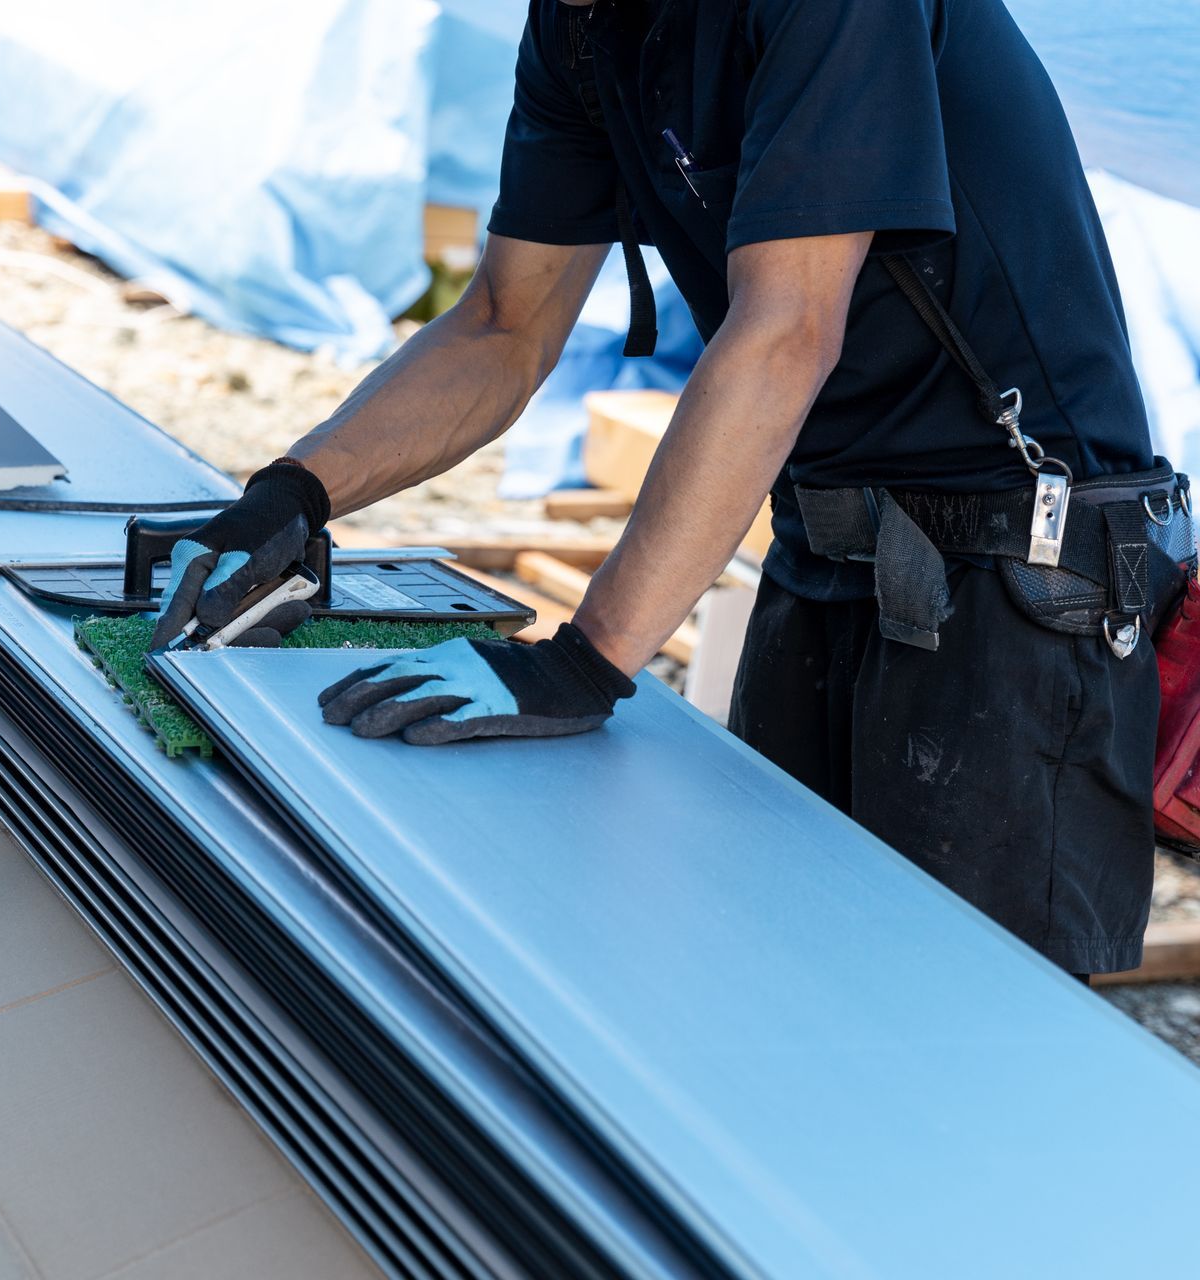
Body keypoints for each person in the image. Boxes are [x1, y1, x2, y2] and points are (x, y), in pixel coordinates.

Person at [150, 0, 1194, 978]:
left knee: (962, 1034)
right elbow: (506, 326)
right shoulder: (584, 24)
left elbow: (787, 330)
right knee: (767, 972)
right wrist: (290, 493)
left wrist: (586, 657)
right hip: (830, 543)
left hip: (1026, 579)